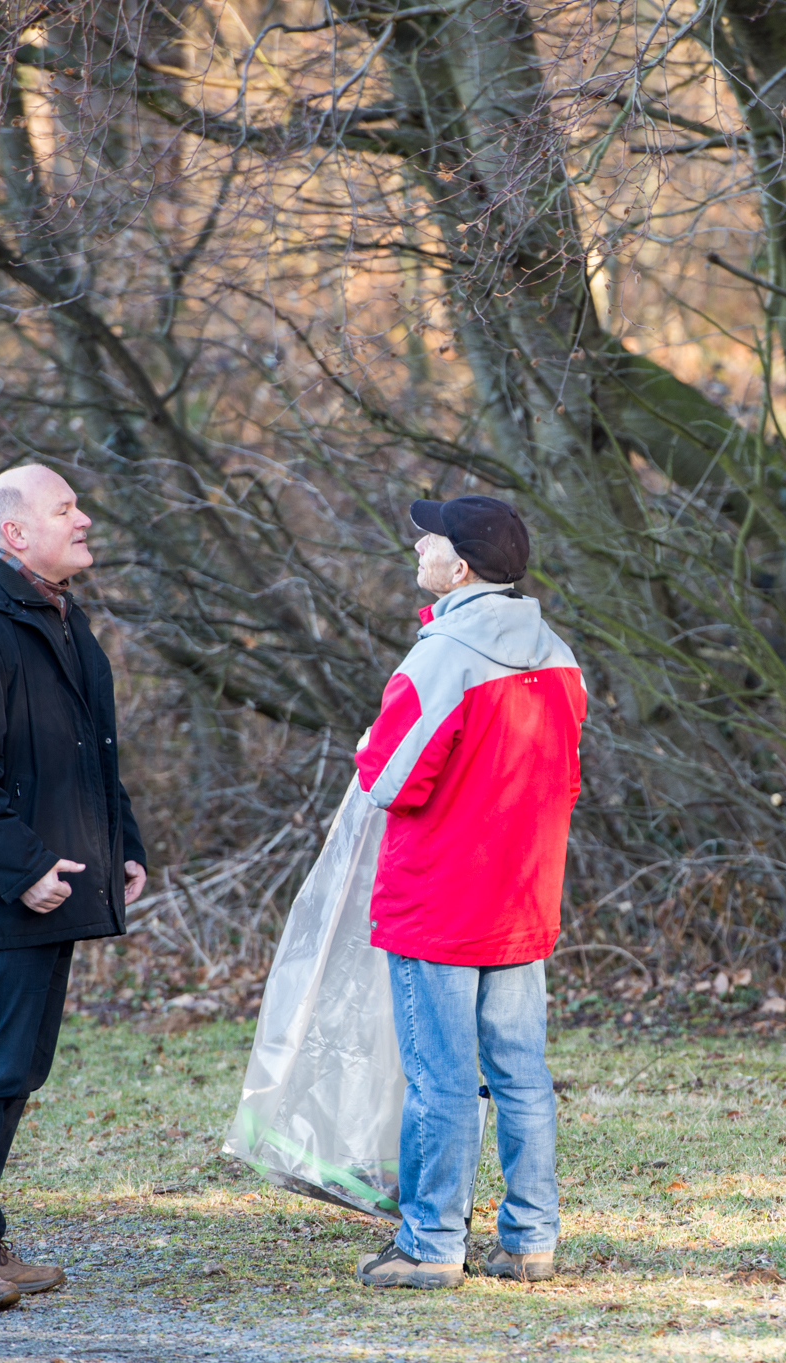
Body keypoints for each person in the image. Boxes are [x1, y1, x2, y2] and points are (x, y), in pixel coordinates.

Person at [0, 465, 147, 1313]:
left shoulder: (53, 616)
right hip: (3, 894)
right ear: (15, 532)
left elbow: (89, 755)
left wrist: (122, 845)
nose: (84, 519)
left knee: (15, 1068)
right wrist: (23, 869)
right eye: (64, 508)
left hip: (51, 886)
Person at [351, 495, 586, 1289]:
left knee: (441, 1080)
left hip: (439, 903)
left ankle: (430, 1244)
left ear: (460, 568)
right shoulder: (560, 656)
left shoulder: (440, 658)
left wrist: (369, 745)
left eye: (432, 539)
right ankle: (530, 1240)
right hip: (521, 898)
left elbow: (390, 780)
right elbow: (565, 780)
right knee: (522, 1075)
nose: (418, 546)